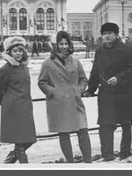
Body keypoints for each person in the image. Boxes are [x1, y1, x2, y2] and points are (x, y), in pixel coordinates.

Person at [83, 22, 132, 161]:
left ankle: (124, 154)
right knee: (105, 124)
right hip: (106, 93)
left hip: (123, 92)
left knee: (126, 124)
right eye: (104, 34)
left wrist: (119, 78)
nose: (106, 36)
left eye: (109, 33)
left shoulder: (127, 49)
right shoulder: (100, 51)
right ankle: (107, 155)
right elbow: (95, 72)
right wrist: (90, 89)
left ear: (116, 34)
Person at [38, 31, 92, 163]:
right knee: (64, 134)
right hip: (59, 103)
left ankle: (88, 162)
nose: (63, 46)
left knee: (83, 131)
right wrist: (54, 92)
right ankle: (70, 163)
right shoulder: (47, 63)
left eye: (66, 43)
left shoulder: (75, 61)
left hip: (75, 102)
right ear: (55, 45)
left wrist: (78, 90)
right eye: (60, 44)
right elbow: (42, 82)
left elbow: (83, 79)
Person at [0, 36, 37, 164]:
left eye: (20, 51)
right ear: (9, 52)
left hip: (26, 109)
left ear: (24, 52)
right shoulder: (5, 69)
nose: (18, 53)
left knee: (29, 139)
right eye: (15, 51)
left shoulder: (24, 67)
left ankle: (9, 162)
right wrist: (7, 102)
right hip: (14, 110)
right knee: (21, 142)